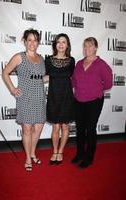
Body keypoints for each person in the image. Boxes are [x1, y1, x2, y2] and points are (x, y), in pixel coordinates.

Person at [2, 29, 46, 171]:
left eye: (35, 40)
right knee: (27, 128)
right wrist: (12, 89)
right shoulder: (19, 57)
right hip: (25, 96)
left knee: (38, 127)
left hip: (39, 96)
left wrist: (58, 76)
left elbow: (41, 79)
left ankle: (33, 153)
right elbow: (5, 72)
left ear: (38, 42)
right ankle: (28, 157)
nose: (32, 43)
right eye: (29, 40)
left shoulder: (41, 59)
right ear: (25, 41)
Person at [72, 37, 113, 168]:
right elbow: (73, 81)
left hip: (94, 101)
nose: (87, 49)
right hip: (78, 100)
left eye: (90, 46)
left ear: (95, 48)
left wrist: (96, 91)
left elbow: (108, 83)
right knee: (79, 129)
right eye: (85, 46)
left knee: (90, 129)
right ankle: (79, 154)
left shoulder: (102, 65)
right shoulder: (78, 63)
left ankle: (88, 158)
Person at [45, 33, 75, 165]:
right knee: (56, 127)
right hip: (53, 97)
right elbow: (45, 77)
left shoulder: (72, 60)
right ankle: (55, 151)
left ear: (67, 45)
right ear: (55, 44)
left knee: (66, 126)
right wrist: (31, 82)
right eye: (58, 42)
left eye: (64, 42)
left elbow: (73, 78)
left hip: (67, 97)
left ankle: (61, 151)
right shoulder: (48, 60)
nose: (61, 44)